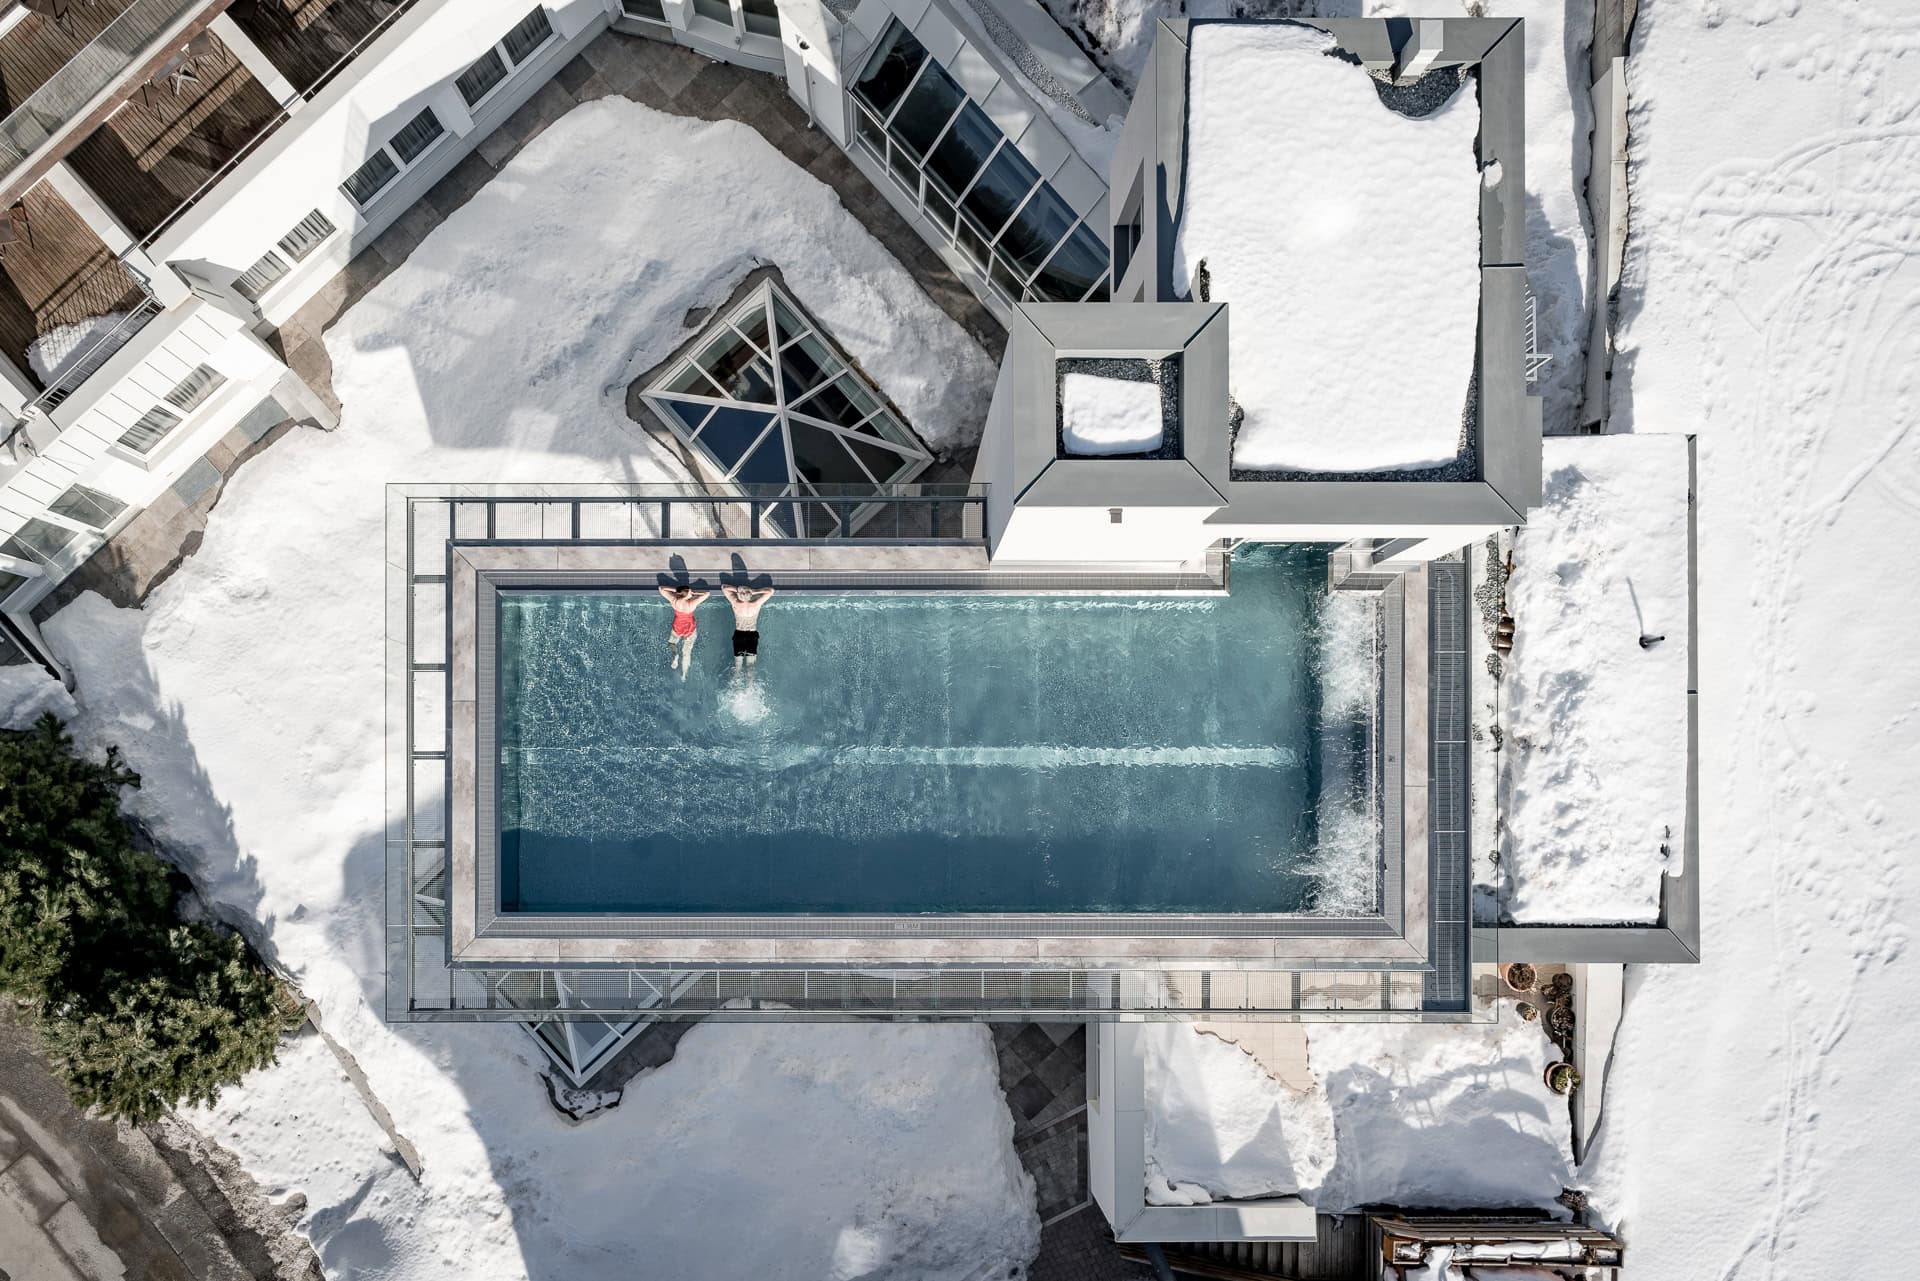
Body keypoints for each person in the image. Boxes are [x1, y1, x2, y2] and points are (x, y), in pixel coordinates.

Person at [658, 584, 710, 679]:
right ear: (688, 594)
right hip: (689, 627)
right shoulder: (691, 603)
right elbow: (707, 594)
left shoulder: (674, 600)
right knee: (686, 652)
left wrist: (677, 590)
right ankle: (684, 674)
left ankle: (675, 655)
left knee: (672, 643)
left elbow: (661, 589)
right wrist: (694, 593)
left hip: (677, 626)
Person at [723, 583, 775, 672]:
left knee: (738, 664)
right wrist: (754, 591)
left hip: (739, 634)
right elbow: (771, 591)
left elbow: (724, 588)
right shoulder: (756, 603)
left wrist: (739, 590)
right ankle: (751, 681)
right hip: (752, 634)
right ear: (750, 595)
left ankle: (737, 679)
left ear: (739, 595)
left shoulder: (735, 602)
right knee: (750, 665)